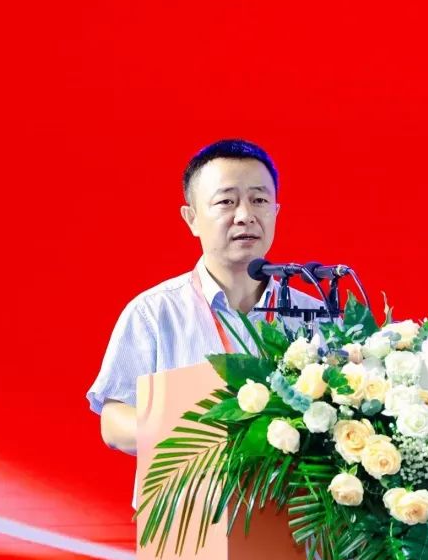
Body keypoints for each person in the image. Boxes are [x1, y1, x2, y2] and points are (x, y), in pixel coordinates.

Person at [86, 139, 322, 457]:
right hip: (191, 486)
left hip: (289, 491)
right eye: (226, 201)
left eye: (259, 200)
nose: (245, 215)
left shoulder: (315, 315)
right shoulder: (154, 313)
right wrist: (207, 431)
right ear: (192, 218)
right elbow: (114, 422)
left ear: (276, 211)